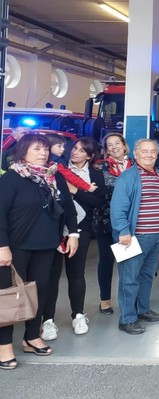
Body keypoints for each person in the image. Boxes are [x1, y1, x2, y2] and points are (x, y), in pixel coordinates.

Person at [0, 133, 78, 368]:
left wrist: (73, 234)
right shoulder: (12, 178)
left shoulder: (53, 177)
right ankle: (4, 345)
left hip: (46, 245)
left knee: (40, 291)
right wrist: (2, 246)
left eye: (45, 149)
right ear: (23, 151)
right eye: (37, 149)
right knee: (10, 295)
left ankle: (31, 336)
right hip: (16, 247)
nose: (43, 153)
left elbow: (69, 208)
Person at [43, 137, 106, 339]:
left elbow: (97, 202)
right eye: (75, 148)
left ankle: (78, 315)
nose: (75, 152)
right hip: (54, 227)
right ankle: (48, 320)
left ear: (90, 155)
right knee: (51, 276)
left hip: (81, 228)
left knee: (76, 273)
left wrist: (75, 191)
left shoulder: (96, 174)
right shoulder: (56, 168)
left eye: (81, 150)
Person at [111, 139, 159, 335]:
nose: (149, 155)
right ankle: (127, 319)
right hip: (134, 237)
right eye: (144, 151)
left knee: (146, 276)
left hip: (155, 237)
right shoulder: (129, 177)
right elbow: (118, 206)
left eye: (152, 151)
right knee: (129, 278)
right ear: (135, 155)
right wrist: (123, 231)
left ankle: (142, 310)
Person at [93, 133, 133, 315]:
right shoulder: (101, 166)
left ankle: (129, 302)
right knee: (107, 261)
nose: (114, 147)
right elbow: (101, 190)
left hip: (131, 221)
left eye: (117, 143)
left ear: (124, 146)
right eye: (110, 145)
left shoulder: (136, 165)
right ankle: (105, 301)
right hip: (106, 219)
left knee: (129, 263)